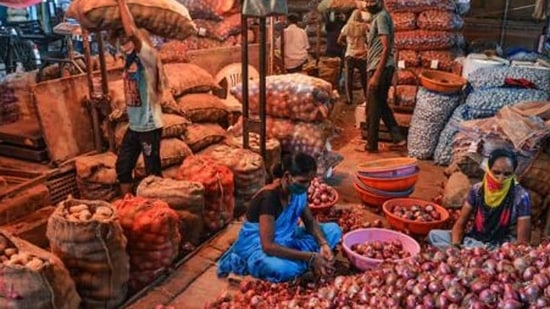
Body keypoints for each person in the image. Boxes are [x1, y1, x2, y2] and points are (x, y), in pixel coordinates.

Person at [217, 153, 342, 282]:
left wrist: (324, 244)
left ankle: (305, 262)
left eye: (309, 181)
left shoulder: (298, 193)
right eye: (303, 181)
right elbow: (268, 246)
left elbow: (309, 221)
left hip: (287, 238)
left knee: (333, 230)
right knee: (282, 269)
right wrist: (310, 257)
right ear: (287, 176)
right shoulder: (269, 198)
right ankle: (305, 263)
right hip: (259, 248)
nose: (307, 186)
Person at [428, 149, 532, 250]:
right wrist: (456, 246)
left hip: (500, 245)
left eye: (507, 174)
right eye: (496, 172)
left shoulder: (521, 196)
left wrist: (508, 254)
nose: (501, 178)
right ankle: (469, 252)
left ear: (513, 173)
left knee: (487, 252)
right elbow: (460, 223)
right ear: (489, 170)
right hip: (475, 238)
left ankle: (473, 253)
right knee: (434, 235)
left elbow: (523, 241)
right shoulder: (477, 190)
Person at [113, 0, 166, 195]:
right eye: (121, 41)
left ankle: (157, 211)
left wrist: (121, 4)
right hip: (135, 126)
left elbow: (133, 34)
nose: (122, 44)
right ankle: (129, 205)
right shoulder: (129, 60)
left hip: (149, 126)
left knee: (152, 173)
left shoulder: (148, 59)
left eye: (125, 41)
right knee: (123, 167)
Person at [364, 0, 405, 152]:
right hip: (382, 67)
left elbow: (387, 46)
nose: (369, 4)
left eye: (371, 1)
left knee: (372, 108)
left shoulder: (381, 17)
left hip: (379, 69)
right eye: (366, 1)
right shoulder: (379, 17)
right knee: (381, 104)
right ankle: (398, 138)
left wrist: (376, 75)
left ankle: (371, 145)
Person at [337, 9, 369, 105]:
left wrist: (347, 45)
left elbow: (338, 40)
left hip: (350, 54)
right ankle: (367, 97)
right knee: (364, 77)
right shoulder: (364, 27)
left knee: (348, 78)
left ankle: (349, 99)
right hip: (362, 55)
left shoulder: (347, 27)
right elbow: (368, 40)